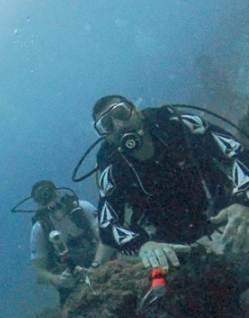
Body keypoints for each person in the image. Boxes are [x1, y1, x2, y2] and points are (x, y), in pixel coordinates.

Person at [90, 95, 249, 270]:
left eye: (121, 113)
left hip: (224, 216)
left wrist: (242, 202)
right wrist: (143, 244)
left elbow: (238, 153)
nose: (119, 125)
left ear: (136, 111)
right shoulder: (110, 162)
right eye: (107, 125)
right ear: (106, 137)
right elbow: (107, 226)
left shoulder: (176, 123)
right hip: (171, 244)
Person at [23, 180, 113, 303]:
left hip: (104, 269)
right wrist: (58, 279)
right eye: (43, 198)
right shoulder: (40, 230)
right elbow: (40, 273)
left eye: (49, 193)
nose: (48, 199)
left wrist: (95, 266)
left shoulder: (82, 208)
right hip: (73, 286)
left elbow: (106, 239)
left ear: (58, 193)